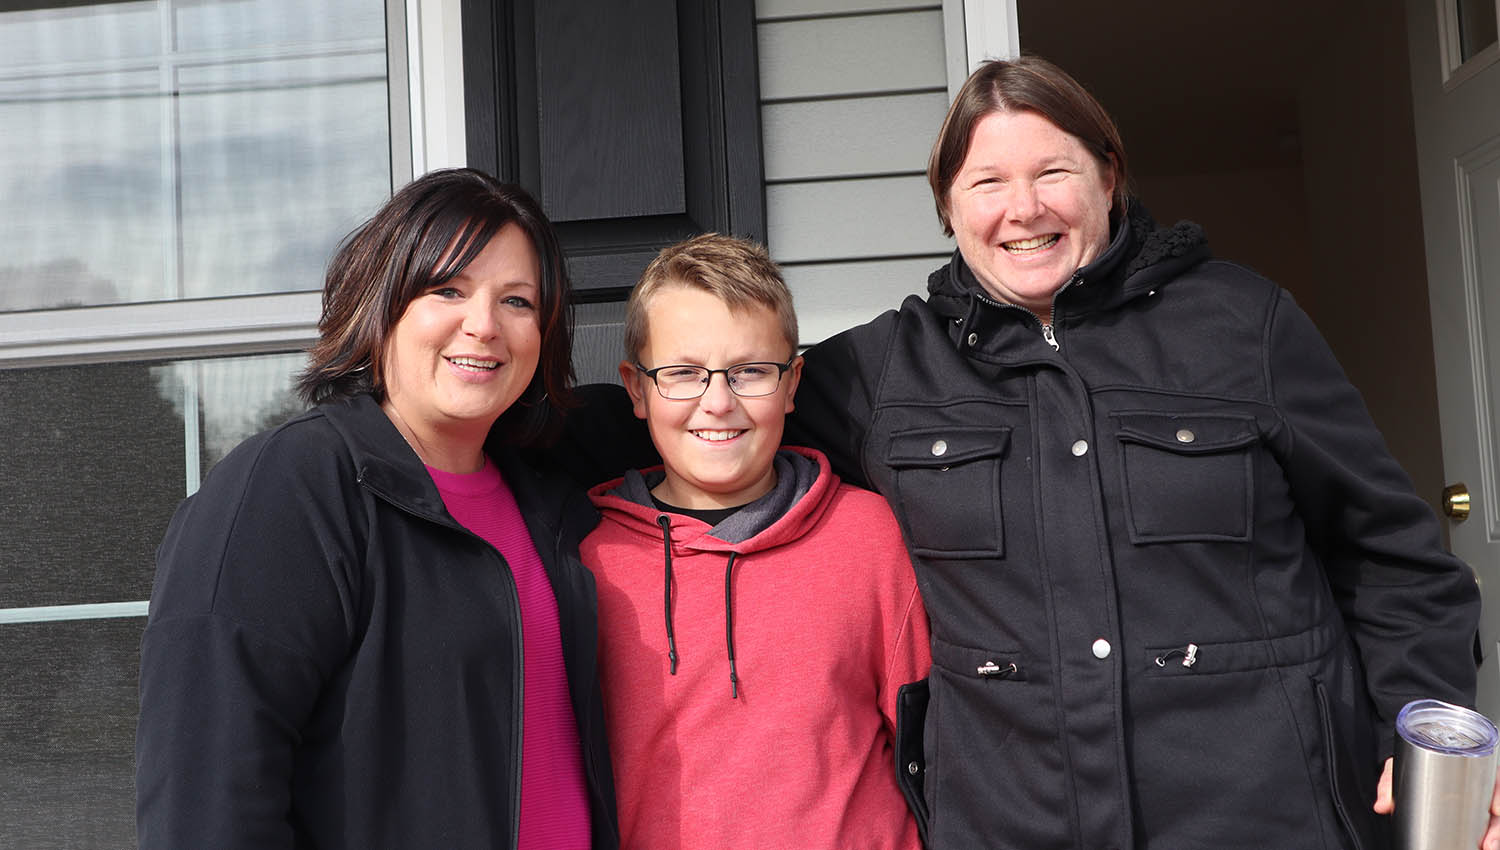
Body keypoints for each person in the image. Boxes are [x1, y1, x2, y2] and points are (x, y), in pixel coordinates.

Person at [775, 56, 1495, 849]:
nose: (1024, 208)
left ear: (1109, 177)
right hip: (1010, 821)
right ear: (948, 204)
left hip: (1263, 811)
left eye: (1054, 171)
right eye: (987, 183)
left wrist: (1425, 735)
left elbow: (1392, 556)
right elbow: (710, 417)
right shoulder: (882, 375)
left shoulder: (1243, 325)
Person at [135, 168, 618, 849]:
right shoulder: (290, 489)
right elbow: (204, 809)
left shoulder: (554, 493)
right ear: (382, 304)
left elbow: (740, 407)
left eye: (517, 301)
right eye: (447, 289)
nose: (483, 326)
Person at [580, 233, 931, 849]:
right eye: (683, 374)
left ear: (793, 383)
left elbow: (941, 749)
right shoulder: (588, 559)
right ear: (636, 389)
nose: (718, 402)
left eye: (749, 372)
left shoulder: (869, 536)